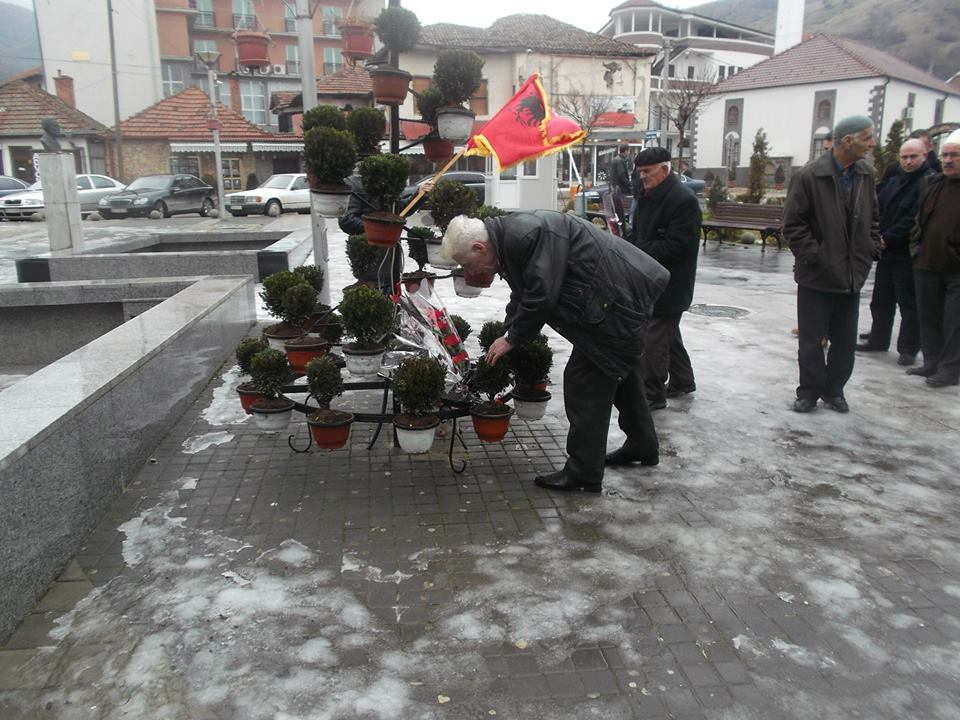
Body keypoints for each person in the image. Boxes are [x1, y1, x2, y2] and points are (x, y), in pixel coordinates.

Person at [440, 211, 669, 493]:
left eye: (468, 264)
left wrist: (513, 338)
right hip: (615, 296)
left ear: (479, 248)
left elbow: (541, 295)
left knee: (584, 381)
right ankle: (643, 445)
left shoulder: (525, 235)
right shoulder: (507, 241)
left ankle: (583, 472)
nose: (470, 272)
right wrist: (505, 333)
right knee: (620, 369)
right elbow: (523, 294)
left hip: (618, 297)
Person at [784, 115, 882, 413]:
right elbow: (793, 226)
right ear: (847, 140)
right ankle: (809, 392)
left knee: (845, 342)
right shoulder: (809, 176)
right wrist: (817, 257)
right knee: (812, 342)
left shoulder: (865, 174)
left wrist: (871, 247)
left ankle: (834, 390)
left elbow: (874, 218)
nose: (872, 143)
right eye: (867, 137)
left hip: (852, 275)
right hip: (817, 276)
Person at [628, 146, 701, 410]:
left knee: (654, 339)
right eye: (640, 172)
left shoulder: (684, 200)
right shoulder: (647, 195)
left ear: (665, 168)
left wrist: (636, 251)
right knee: (668, 334)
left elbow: (676, 246)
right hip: (651, 279)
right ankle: (682, 380)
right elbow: (637, 234)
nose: (643, 177)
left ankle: (652, 393)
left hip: (672, 282)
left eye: (647, 171)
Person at [856, 138, 932, 365]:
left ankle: (908, 349)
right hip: (886, 251)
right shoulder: (895, 180)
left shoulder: (927, 183)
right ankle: (878, 339)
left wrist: (887, 238)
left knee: (908, 302)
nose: (908, 162)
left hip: (906, 252)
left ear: (924, 157)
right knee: (881, 298)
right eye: (904, 157)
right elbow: (879, 208)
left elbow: (915, 219)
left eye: (913, 157)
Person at [907, 128, 960, 388]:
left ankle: (950, 369)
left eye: (955, 156)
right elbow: (919, 220)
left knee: (954, 321)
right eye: (945, 155)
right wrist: (915, 249)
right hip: (926, 263)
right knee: (928, 315)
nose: (948, 160)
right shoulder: (934, 184)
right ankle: (931, 361)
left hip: (956, 269)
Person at [607, 143, 632, 231]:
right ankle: (622, 231)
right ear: (625, 151)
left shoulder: (615, 159)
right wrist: (630, 185)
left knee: (616, 212)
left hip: (614, 189)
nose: (629, 153)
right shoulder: (620, 161)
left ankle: (619, 229)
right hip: (618, 190)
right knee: (620, 212)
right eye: (628, 151)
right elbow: (621, 176)